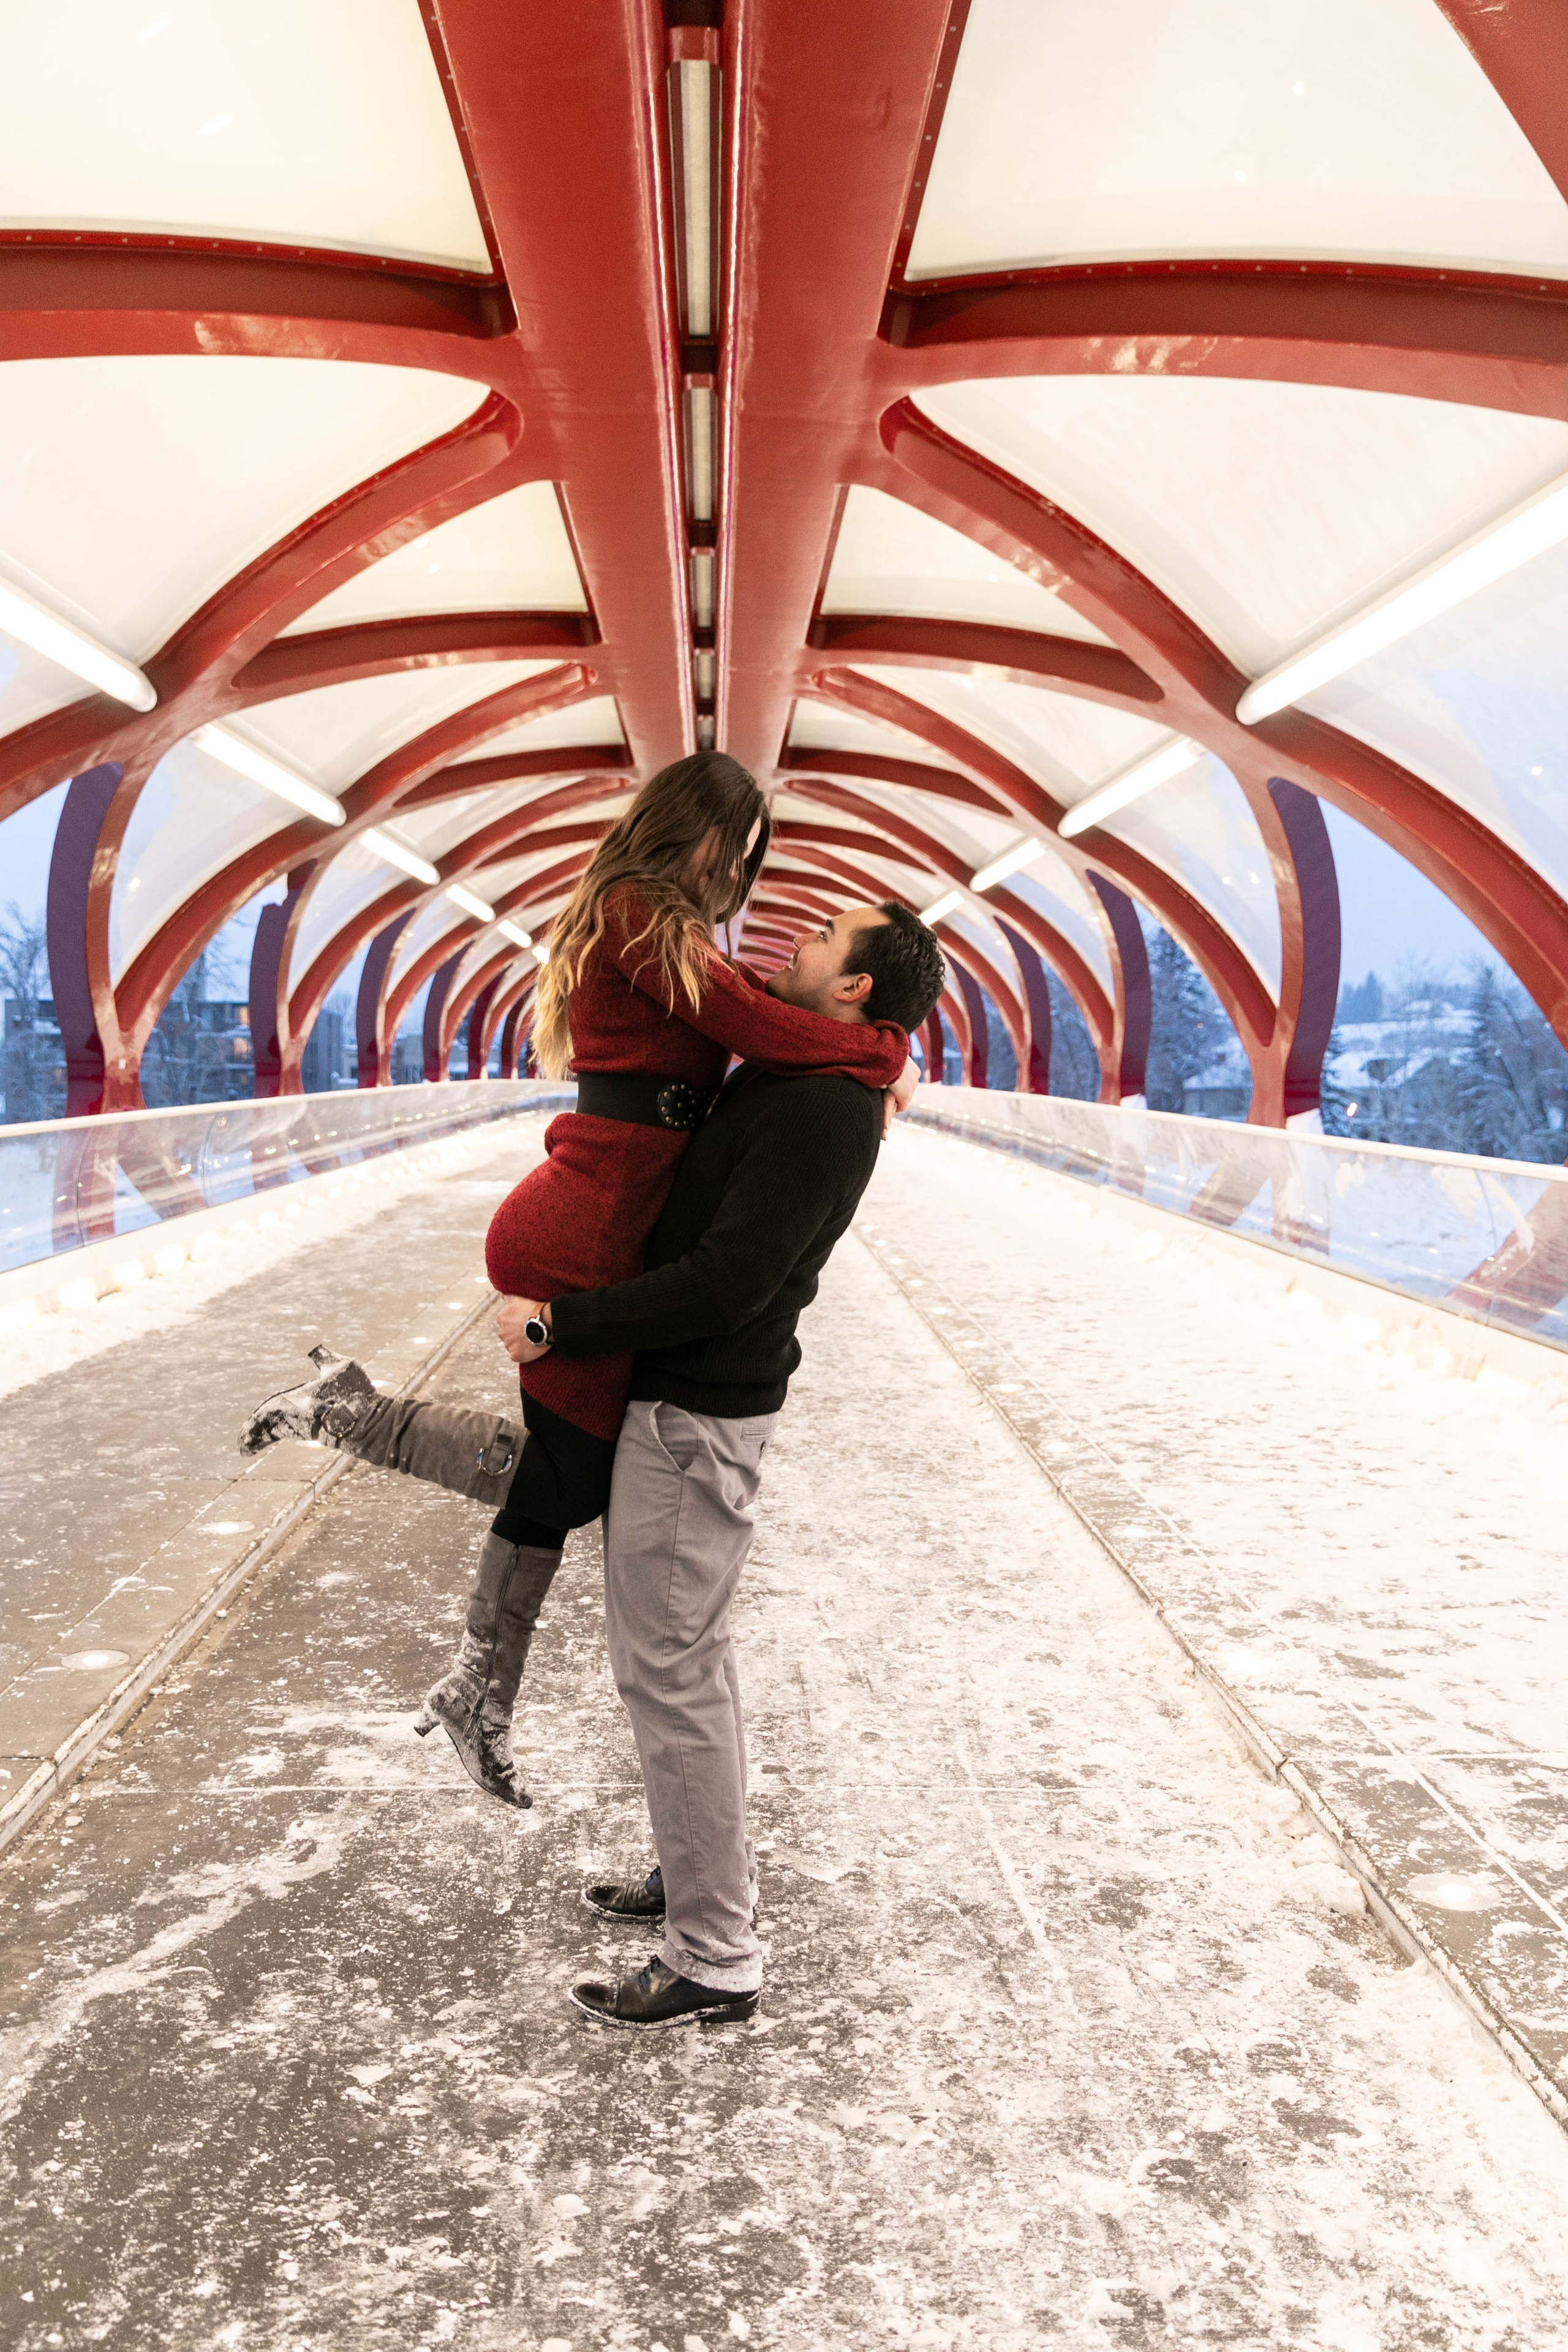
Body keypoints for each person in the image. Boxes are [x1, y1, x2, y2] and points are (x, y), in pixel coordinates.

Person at [239, 753, 914, 1811]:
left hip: (604, 1211)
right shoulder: (641, 912)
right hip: (584, 1224)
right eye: (731, 849)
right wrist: (880, 1050)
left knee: (569, 1477)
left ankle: (457, 1641)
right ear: (688, 827)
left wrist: (860, 1063)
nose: (738, 872)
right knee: (565, 1478)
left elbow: (754, 1027)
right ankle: (443, 1615)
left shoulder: (671, 926)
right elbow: (758, 1029)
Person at [503, 899, 946, 2027]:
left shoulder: (819, 1110)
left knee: (671, 1672)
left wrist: (568, 1323)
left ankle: (714, 1955)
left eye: (820, 942)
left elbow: (728, 1279)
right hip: (693, 1412)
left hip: (694, 1419)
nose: (791, 947)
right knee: (690, 1661)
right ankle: (697, 1870)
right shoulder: (808, 1075)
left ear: (855, 989)